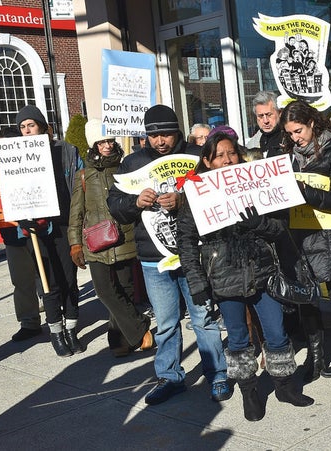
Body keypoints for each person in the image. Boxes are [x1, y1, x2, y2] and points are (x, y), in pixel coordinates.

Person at [177, 132, 314, 421]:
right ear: (207, 161)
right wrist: (197, 282)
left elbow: (279, 229)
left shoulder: (255, 182)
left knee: (276, 333)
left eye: (232, 153)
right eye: (220, 156)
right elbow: (186, 241)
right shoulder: (195, 193)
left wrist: (260, 223)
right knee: (238, 340)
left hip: (262, 271)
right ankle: (249, 393)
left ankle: (284, 386)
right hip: (224, 276)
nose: (227, 160)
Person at [107, 104, 229, 405]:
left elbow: (215, 193)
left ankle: (218, 375)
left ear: (178, 131)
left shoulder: (196, 158)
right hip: (152, 258)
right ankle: (170, 377)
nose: (161, 141)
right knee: (165, 321)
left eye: (167, 134)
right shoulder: (131, 163)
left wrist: (183, 201)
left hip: (194, 254)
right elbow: (115, 205)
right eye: (154, 136)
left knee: (203, 316)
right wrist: (135, 202)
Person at [277, 100, 331, 382]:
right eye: (290, 134)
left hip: (329, 233)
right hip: (299, 233)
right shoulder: (287, 155)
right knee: (305, 294)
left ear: (312, 123)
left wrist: (305, 191)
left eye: (298, 131)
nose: (295, 138)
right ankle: (316, 355)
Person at [67, 119, 154, 357]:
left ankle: (119, 341)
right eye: (101, 141)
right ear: (93, 144)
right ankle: (140, 327)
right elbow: (76, 213)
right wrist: (75, 244)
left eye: (109, 140)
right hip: (95, 243)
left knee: (124, 291)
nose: (107, 145)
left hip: (124, 237)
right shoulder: (84, 176)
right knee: (105, 291)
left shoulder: (126, 168)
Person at [15, 105, 84, 357]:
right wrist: (22, 219)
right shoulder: (16, 155)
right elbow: (11, 192)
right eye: (22, 127)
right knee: (49, 283)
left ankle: (72, 328)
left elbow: (78, 184)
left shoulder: (65, 151)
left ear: (42, 126)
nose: (27, 131)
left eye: (31, 125)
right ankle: (56, 330)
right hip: (38, 230)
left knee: (69, 279)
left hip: (65, 224)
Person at [0, 127, 44, 342]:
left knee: (46, 275)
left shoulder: (34, 167)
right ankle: (29, 322)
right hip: (12, 236)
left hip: (38, 231)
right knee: (21, 280)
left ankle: (55, 315)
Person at [245, 91, 283, 159]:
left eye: (269, 115)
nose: (265, 121)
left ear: (279, 113)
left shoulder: (290, 137)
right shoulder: (254, 143)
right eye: (260, 116)